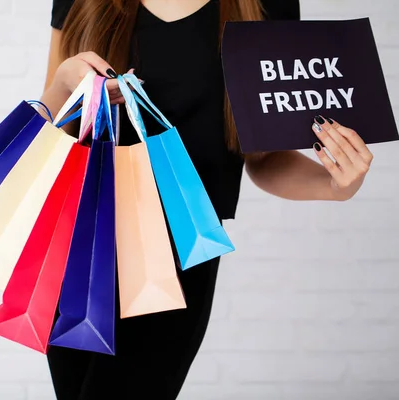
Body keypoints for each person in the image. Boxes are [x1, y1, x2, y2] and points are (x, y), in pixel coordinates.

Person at [38, 0, 374, 399]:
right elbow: (53, 132)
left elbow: (263, 160)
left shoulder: (267, 4)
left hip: (181, 249)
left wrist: (336, 186)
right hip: (76, 242)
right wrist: (63, 84)